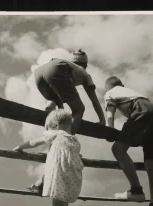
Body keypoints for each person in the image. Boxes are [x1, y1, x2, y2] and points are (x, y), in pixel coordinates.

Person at [29, 49, 105, 192]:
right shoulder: (84, 74)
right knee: (79, 109)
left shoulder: (69, 66)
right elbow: (93, 99)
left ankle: (50, 106)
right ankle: (66, 141)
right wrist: (102, 121)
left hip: (39, 73)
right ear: (86, 65)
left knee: (59, 112)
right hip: (57, 70)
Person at [104, 76, 153, 206]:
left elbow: (110, 113)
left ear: (108, 88)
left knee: (118, 149)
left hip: (141, 110)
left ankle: (136, 190)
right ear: (122, 84)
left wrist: (109, 131)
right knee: (151, 161)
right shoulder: (132, 92)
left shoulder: (110, 93)